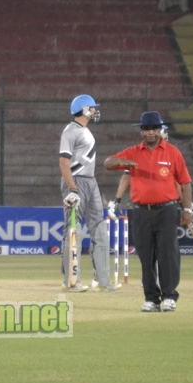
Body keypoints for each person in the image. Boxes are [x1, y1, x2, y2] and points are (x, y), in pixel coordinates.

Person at [104, 111, 193, 312]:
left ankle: (170, 296)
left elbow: (185, 183)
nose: (150, 132)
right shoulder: (133, 152)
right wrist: (122, 162)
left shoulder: (172, 152)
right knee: (146, 255)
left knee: (167, 254)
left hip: (167, 211)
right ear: (141, 132)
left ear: (161, 130)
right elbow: (107, 163)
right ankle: (151, 299)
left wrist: (187, 209)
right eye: (146, 129)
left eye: (154, 128)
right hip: (141, 212)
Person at [59, 95, 117, 293]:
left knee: (99, 228)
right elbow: (63, 163)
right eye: (92, 108)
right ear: (83, 109)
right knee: (72, 229)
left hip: (91, 182)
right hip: (76, 181)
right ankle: (71, 280)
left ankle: (104, 280)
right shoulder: (70, 130)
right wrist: (72, 188)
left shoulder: (85, 130)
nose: (94, 111)